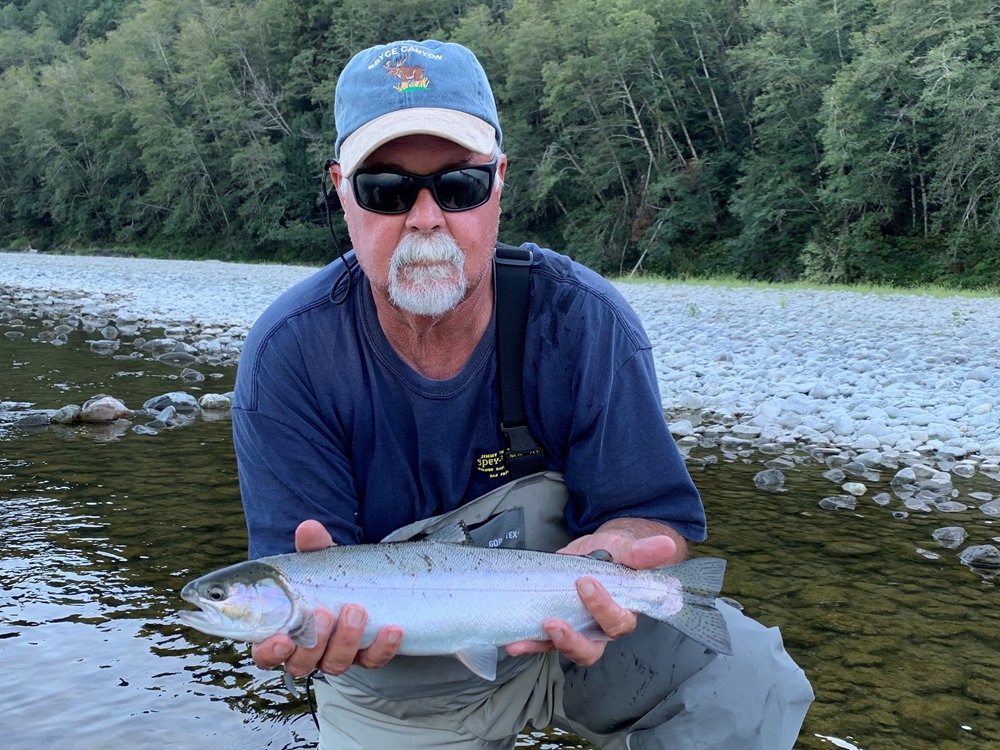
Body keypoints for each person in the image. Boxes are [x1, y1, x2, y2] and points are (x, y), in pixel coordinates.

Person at [232, 38, 813, 750]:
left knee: (748, 677)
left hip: (588, 635)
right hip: (404, 686)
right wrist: (313, 642)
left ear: (499, 183)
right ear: (341, 191)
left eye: (459, 187)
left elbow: (653, 520)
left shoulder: (583, 319)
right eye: (385, 189)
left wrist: (620, 556)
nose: (424, 218)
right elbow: (306, 597)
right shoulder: (290, 355)